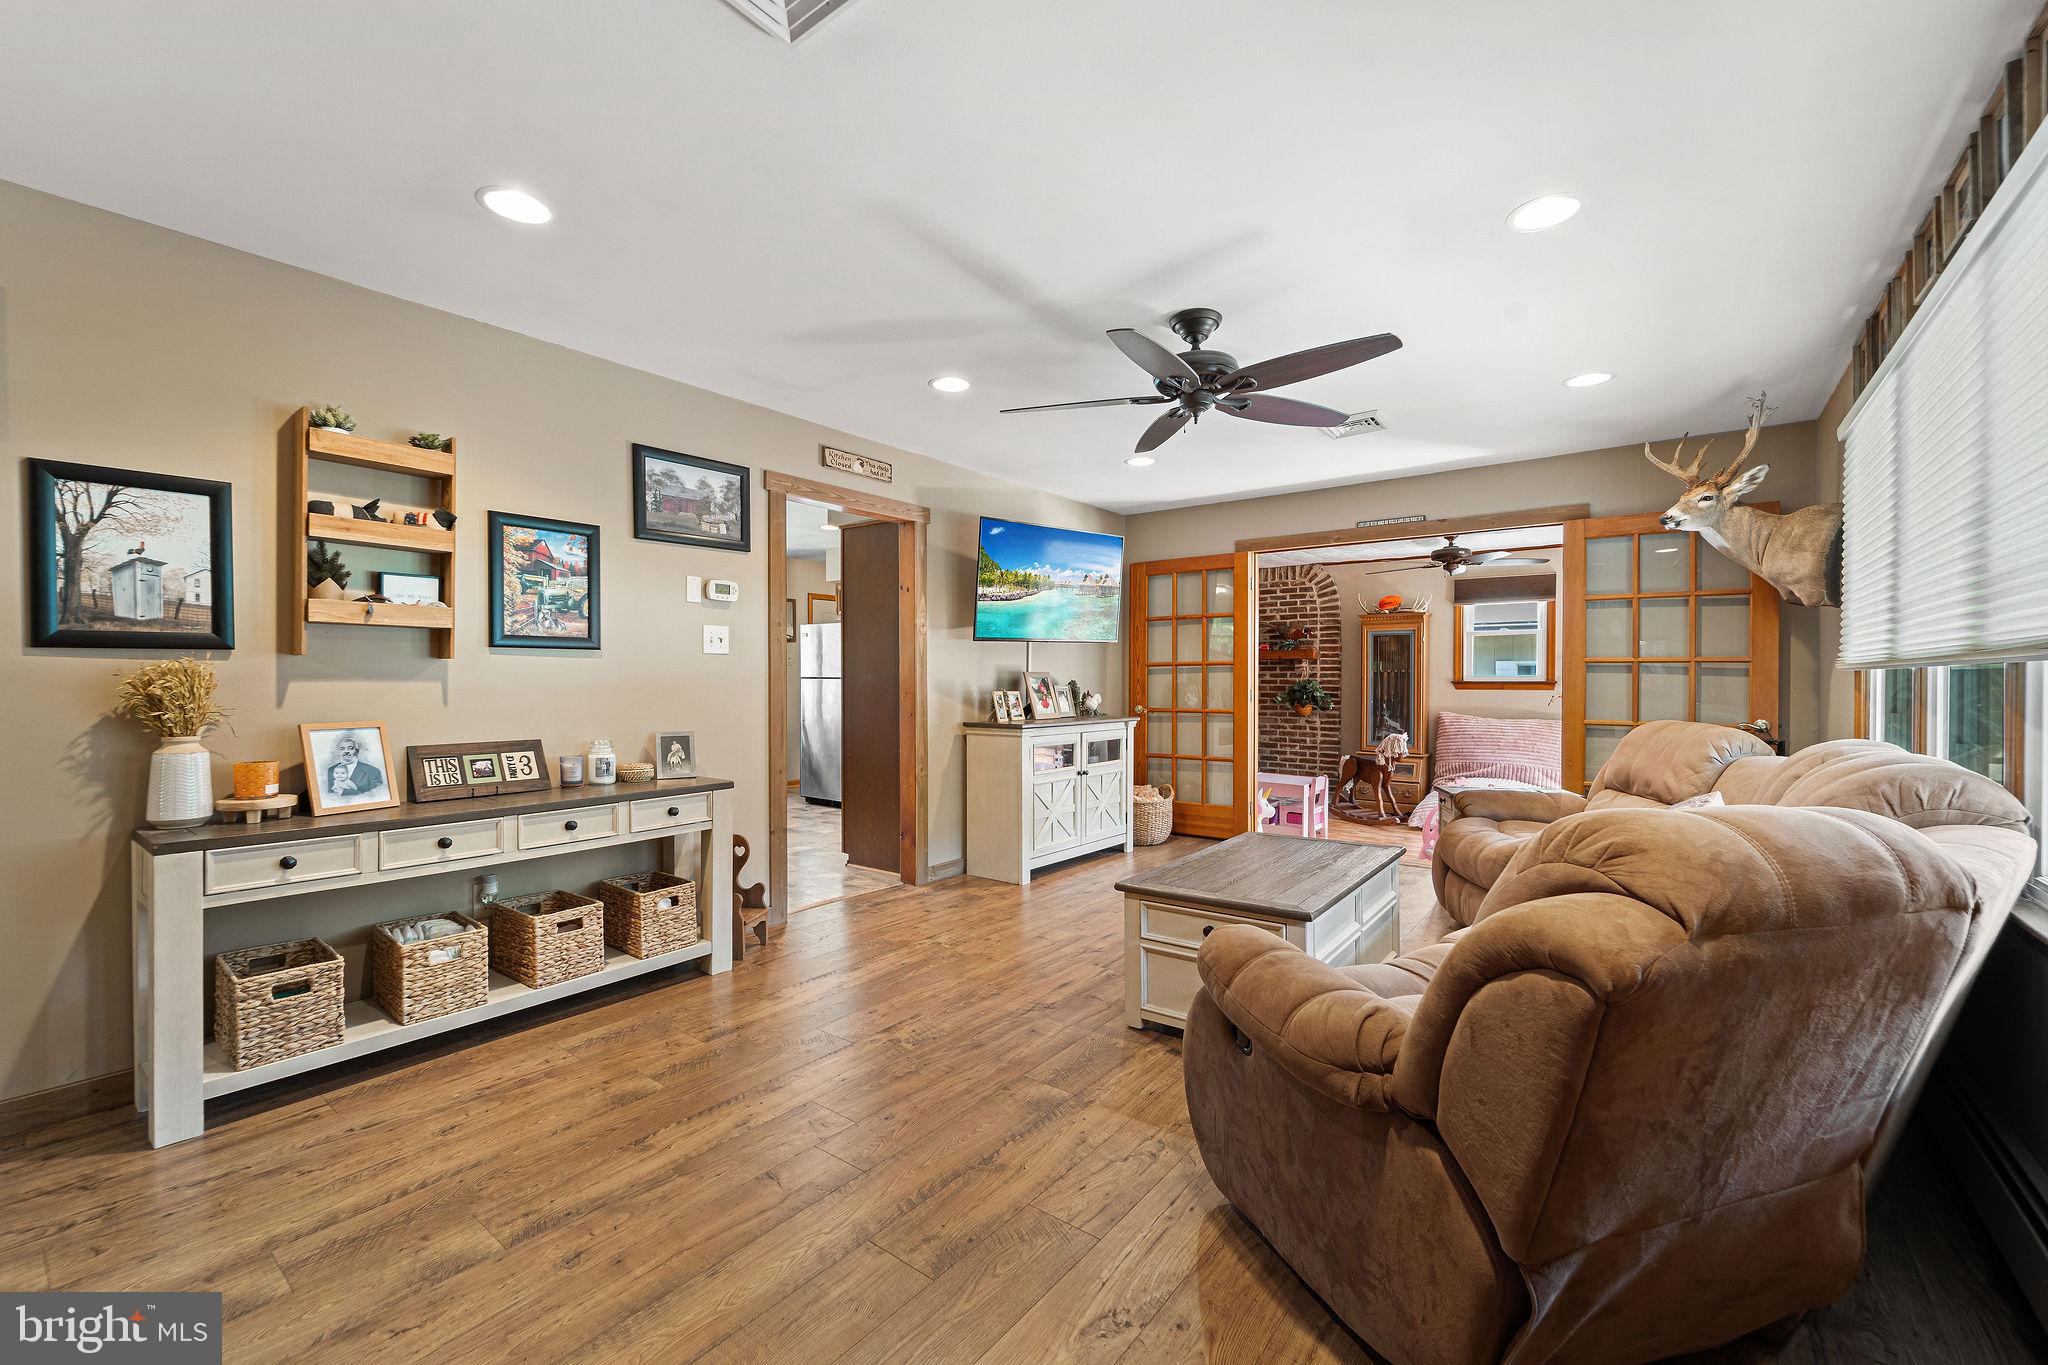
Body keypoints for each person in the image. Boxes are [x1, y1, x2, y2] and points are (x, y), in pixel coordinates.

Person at [325, 733, 384, 799]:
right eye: (342, 749)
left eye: (350, 748)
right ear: (338, 752)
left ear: (357, 751)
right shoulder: (331, 770)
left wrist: (346, 792)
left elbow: (377, 796)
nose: (346, 751)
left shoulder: (372, 771)